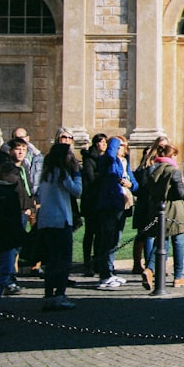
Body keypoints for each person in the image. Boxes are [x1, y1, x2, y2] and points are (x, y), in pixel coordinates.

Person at [35, 142, 82, 310]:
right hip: (61, 220)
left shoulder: (46, 174)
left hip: (46, 220)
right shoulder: (62, 174)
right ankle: (60, 295)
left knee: (51, 260)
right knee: (63, 260)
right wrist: (77, 173)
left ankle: (49, 295)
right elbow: (77, 190)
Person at [141, 143, 184, 290]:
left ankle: (149, 269)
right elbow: (181, 193)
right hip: (174, 208)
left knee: (161, 242)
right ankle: (178, 276)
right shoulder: (173, 171)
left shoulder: (151, 169)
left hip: (157, 207)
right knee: (178, 242)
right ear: (172, 156)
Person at [94, 136, 138, 290]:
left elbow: (135, 184)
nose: (121, 148)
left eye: (123, 145)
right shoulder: (108, 160)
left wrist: (130, 184)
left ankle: (110, 271)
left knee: (115, 240)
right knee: (107, 239)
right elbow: (110, 155)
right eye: (119, 145)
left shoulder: (124, 163)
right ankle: (104, 275)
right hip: (109, 204)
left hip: (121, 205)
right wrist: (115, 140)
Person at [0, 138, 36, 296]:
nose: (20, 152)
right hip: (12, 215)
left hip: (23, 211)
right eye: (17, 148)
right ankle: (8, 281)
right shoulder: (7, 170)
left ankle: (9, 277)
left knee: (15, 249)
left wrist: (30, 206)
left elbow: (27, 188)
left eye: (23, 149)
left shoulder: (23, 167)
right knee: (8, 251)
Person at [0, 145, 27, 314]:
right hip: (5, 237)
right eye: (15, 175)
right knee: (4, 270)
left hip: (4, 236)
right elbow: (10, 218)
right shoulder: (7, 193)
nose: (17, 178)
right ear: (6, 176)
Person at [131, 135, 169, 274]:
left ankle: (154, 266)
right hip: (148, 204)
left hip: (157, 204)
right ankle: (150, 267)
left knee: (158, 235)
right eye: (161, 146)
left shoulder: (157, 163)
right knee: (149, 235)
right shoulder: (149, 164)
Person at [80, 133, 108, 276]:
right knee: (90, 233)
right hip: (91, 200)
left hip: (102, 200)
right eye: (100, 142)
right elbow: (90, 178)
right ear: (95, 143)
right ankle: (87, 263)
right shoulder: (89, 158)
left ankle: (97, 261)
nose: (103, 144)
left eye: (105, 142)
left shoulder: (106, 158)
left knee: (100, 233)